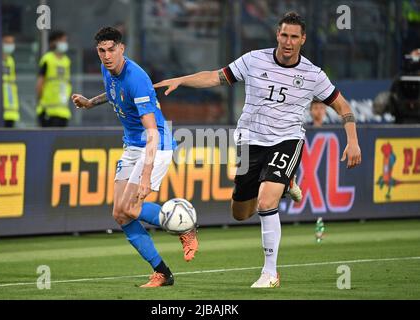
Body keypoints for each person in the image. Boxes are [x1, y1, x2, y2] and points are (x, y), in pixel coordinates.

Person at [154, 11, 361, 288]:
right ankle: (286, 180)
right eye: (284, 35)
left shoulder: (313, 75)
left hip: (287, 140)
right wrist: (181, 80)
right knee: (240, 212)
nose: (288, 42)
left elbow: (343, 107)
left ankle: (270, 273)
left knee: (266, 202)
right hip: (250, 142)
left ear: (303, 39)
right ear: (278, 34)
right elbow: (216, 77)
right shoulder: (253, 59)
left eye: (294, 37)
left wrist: (353, 140)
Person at [71, 27, 199, 288]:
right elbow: (115, 94)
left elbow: (152, 132)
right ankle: (163, 273)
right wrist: (89, 102)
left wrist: (146, 176)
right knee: (120, 214)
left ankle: (184, 226)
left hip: (156, 145)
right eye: (101, 51)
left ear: (122, 49)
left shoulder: (137, 78)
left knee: (130, 207)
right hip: (132, 146)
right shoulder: (110, 70)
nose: (106, 56)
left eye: (111, 50)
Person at [36, 30, 72, 127]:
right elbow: (40, 81)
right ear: (53, 42)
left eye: (65, 41)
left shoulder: (66, 61)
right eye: (61, 41)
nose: (64, 43)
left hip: (63, 111)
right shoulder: (47, 59)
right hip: (48, 111)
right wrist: (41, 101)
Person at [2, 33, 20, 128]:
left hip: (11, 111)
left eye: (12, 42)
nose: (10, 45)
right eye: (7, 42)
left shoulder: (11, 61)